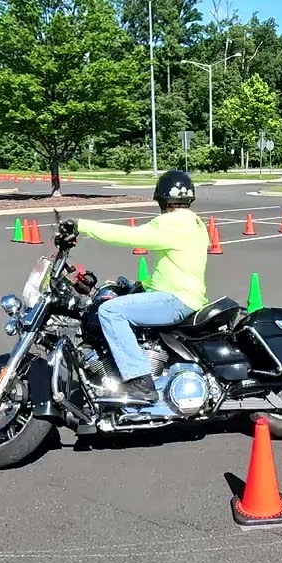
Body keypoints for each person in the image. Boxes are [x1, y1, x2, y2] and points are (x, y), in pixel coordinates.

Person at [56, 170, 209, 404]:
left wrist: (81, 225)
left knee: (110, 311)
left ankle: (139, 380)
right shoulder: (193, 221)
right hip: (179, 294)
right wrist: (137, 286)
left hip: (176, 299)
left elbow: (128, 236)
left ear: (161, 197)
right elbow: (174, 268)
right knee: (117, 300)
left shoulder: (173, 223)